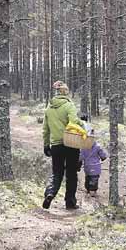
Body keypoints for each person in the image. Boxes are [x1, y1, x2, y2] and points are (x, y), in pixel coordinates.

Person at [42, 80, 84, 210]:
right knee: (71, 173)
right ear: (65, 92)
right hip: (71, 142)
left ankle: (50, 193)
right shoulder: (69, 106)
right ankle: (70, 202)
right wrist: (83, 122)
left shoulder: (49, 108)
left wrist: (46, 145)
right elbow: (74, 122)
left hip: (56, 145)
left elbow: (45, 129)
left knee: (57, 172)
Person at [79, 122, 108, 197]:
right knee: (94, 179)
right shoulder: (98, 146)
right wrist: (103, 157)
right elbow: (103, 156)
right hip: (96, 166)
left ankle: (88, 190)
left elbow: (81, 157)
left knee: (87, 178)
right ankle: (93, 191)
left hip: (87, 166)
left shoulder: (83, 147)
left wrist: (78, 161)